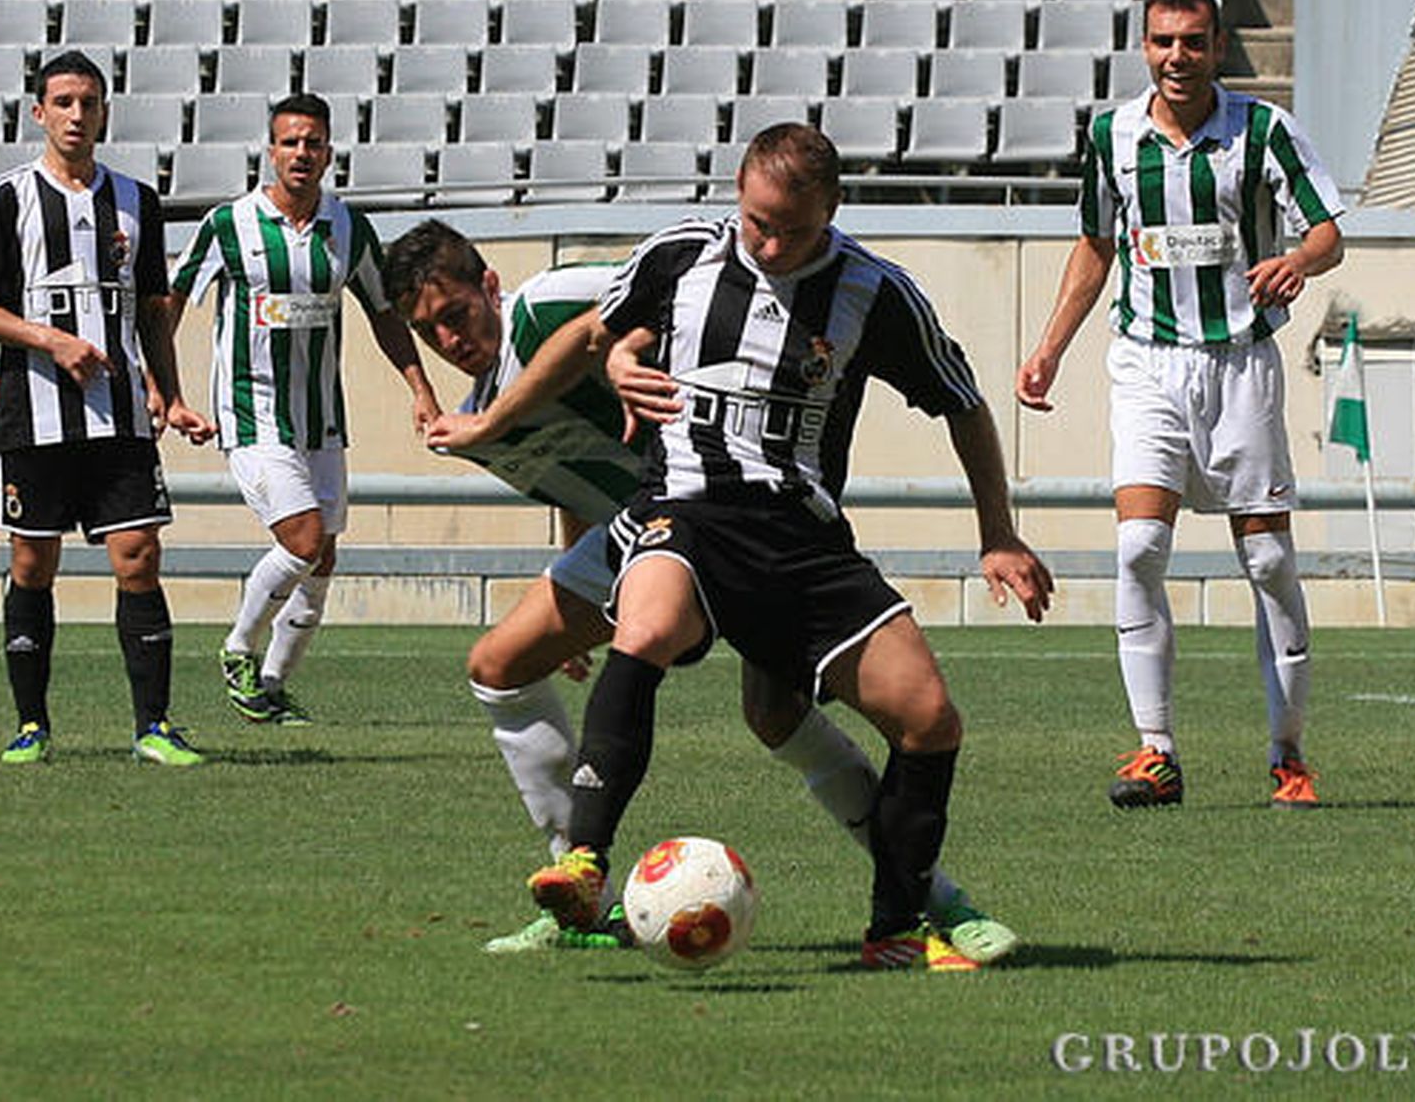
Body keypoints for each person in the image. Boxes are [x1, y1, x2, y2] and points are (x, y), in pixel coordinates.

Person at [381, 219, 1020, 961]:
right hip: (643, 534)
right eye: (430, 332)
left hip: (741, 513)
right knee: (499, 665)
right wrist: (577, 578)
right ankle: (578, 890)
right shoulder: (482, 408)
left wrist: (611, 354)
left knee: (778, 713)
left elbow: (652, 305)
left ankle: (936, 900)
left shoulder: (548, 304)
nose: (450, 339)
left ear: (490, 285)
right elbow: (582, 477)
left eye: (455, 314)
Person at [524, 124, 1054, 972]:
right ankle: (584, 862)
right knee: (646, 627)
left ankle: (896, 929)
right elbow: (603, 330)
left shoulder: (874, 293)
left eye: (791, 230)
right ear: (737, 192)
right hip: (686, 509)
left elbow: (961, 400)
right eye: (755, 221)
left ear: (832, 212)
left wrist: (998, 532)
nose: (767, 244)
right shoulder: (681, 253)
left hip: (800, 539)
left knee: (928, 717)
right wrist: (607, 365)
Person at [1016, 0, 1344, 810]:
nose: (1177, 57)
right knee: (1138, 549)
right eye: (1163, 41)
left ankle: (1288, 752)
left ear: (1217, 45)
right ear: (1145, 46)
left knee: (1267, 559)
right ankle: (1155, 750)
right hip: (1146, 362)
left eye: (1192, 42)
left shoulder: (1262, 131)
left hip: (1238, 363)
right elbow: (1096, 245)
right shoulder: (1113, 136)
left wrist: (1296, 262)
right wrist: (1049, 348)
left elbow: (1328, 232)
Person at [0, 50, 216, 766]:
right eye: (64, 102)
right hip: (34, 410)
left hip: (121, 417)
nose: (78, 115)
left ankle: (154, 726)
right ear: (39, 112)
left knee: (139, 557)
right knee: (31, 561)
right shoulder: (6, 198)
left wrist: (169, 393)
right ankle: (31, 725)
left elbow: (150, 309)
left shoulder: (138, 199)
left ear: (104, 111)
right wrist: (51, 340)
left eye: (90, 102)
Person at [166, 93, 439, 725]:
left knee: (325, 555)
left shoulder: (347, 227)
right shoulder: (229, 224)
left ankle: (271, 684)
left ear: (328, 153)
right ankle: (237, 647)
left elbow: (384, 315)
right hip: (251, 411)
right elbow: (170, 304)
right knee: (304, 539)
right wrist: (167, 390)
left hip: (321, 419)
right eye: (290, 142)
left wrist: (421, 391)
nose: (301, 153)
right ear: (271, 150)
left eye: (312, 143)